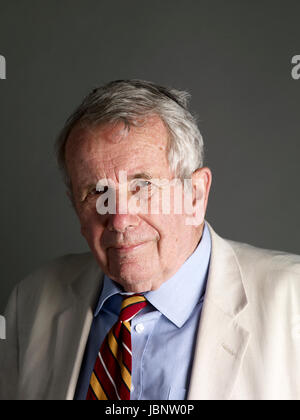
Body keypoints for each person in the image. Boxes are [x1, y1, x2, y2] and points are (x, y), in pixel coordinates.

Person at [0, 80, 299, 400]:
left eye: (142, 186)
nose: (119, 218)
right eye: (97, 192)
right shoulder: (31, 302)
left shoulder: (293, 301)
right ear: (75, 205)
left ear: (195, 195)